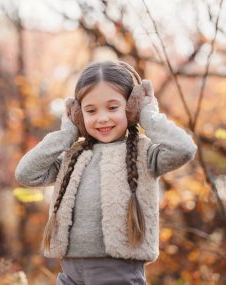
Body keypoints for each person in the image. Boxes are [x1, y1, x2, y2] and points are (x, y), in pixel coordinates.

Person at [15, 60, 198, 285]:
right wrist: (66, 134)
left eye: (113, 108)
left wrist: (147, 116)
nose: (102, 118)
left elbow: (184, 148)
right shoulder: (74, 157)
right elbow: (25, 174)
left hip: (116, 268)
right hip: (71, 267)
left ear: (131, 108)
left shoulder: (144, 154)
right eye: (91, 110)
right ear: (79, 115)